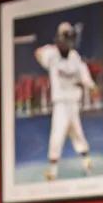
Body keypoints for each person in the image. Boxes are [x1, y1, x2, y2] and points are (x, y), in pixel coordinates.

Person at [34, 22, 94, 179]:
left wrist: (84, 84)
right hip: (60, 103)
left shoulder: (75, 57)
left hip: (73, 103)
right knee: (57, 134)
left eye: (69, 38)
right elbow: (38, 53)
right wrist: (48, 52)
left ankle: (87, 164)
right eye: (65, 37)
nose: (67, 41)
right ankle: (53, 171)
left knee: (77, 133)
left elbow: (87, 81)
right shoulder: (52, 54)